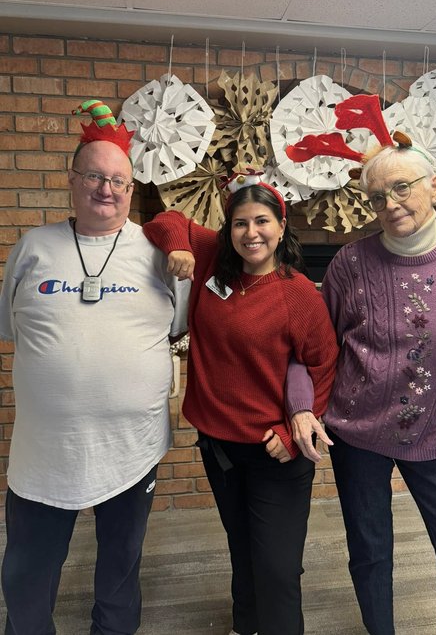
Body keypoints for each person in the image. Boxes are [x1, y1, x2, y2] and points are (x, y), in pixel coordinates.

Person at [287, 128, 436, 635]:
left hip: (432, 431)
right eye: (377, 196)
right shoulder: (350, 264)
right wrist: (301, 407)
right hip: (355, 435)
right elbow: (308, 349)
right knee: (371, 556)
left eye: (401, 187)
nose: (390, 203)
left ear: (435, 182)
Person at [0, 100, 189, 635]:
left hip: (131, 450)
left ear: (132, 190)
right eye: (95, 176)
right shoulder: (33, 248)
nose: (107, 189)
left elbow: (176, 328)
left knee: (120, 573)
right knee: (25, 577)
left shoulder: (157, 253)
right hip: (44, 455)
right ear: (72, 179)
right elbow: (14, 329)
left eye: (119, 181)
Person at [143, 173, 338, 635]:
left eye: (263, 222)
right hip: (219, 446)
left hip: (276, 450)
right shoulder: (213, 261)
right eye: (240, 223)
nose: (252, 233)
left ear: (281, 224)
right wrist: (179, 246)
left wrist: (295, 434)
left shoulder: (297, 295)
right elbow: (164, 220)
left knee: (277, 567)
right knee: (243, 549)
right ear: (228, 229)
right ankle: (245, 626)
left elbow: (325, 366)